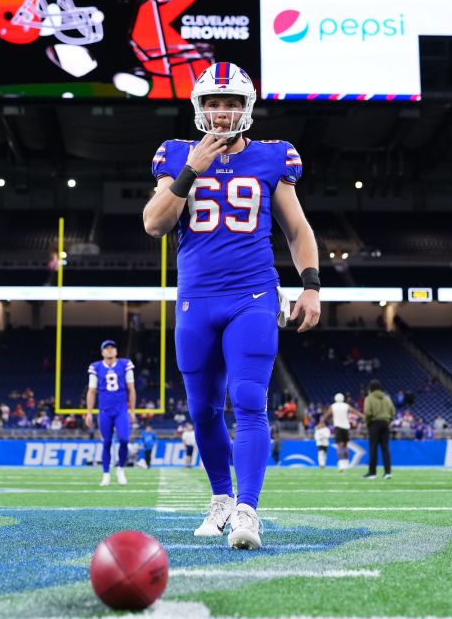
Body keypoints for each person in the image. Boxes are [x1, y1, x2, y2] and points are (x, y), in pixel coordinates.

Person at [144, 63, 322, 549]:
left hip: (254, 296)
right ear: (200, 108)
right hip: (196, 300)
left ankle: (248, 510)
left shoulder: (272, 158)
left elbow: (298, 230)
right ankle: (221, 498)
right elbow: (154, 225)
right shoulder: (177, 154)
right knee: (203, 409)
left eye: (232, 103)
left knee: (247, 399)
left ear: (245, 109)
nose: (222, 113)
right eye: (214, 103)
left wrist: (310, 286)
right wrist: (190, 172)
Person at [84, 340, 136, 487]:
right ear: (102, 352)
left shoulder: (125, 364)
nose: (109, 350)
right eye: (106, 348)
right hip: (105, 411)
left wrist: (132, 411)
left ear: (116, 351)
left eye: (112, 348)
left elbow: (131, 389)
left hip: (121, 410)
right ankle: (106, 474)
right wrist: (89, 413)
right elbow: (92, 391)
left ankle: (120, 469)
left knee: (124, 439)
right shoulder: (96, 367)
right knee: (106, 442)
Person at [321, 393, 364, 473]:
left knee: (339, 447)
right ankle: (347, 463)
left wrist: (321, 422)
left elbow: (326, 416)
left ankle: (341, 465)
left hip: (338, 427)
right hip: (345, 427)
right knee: (346, 447)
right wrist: (363, 416)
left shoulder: (333, 406)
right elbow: (355, 411)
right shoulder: (346, 405)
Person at [362, 380, 396, 480]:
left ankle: (372, 473)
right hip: (385, 423)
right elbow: (393, 411)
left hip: (374, 423)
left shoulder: (369, 398)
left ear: (370, 388)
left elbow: (367, 412)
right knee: (385, 448)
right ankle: (387, 472)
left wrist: (368, 423)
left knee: (373, 448)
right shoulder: (387, 398)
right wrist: (388, 421)